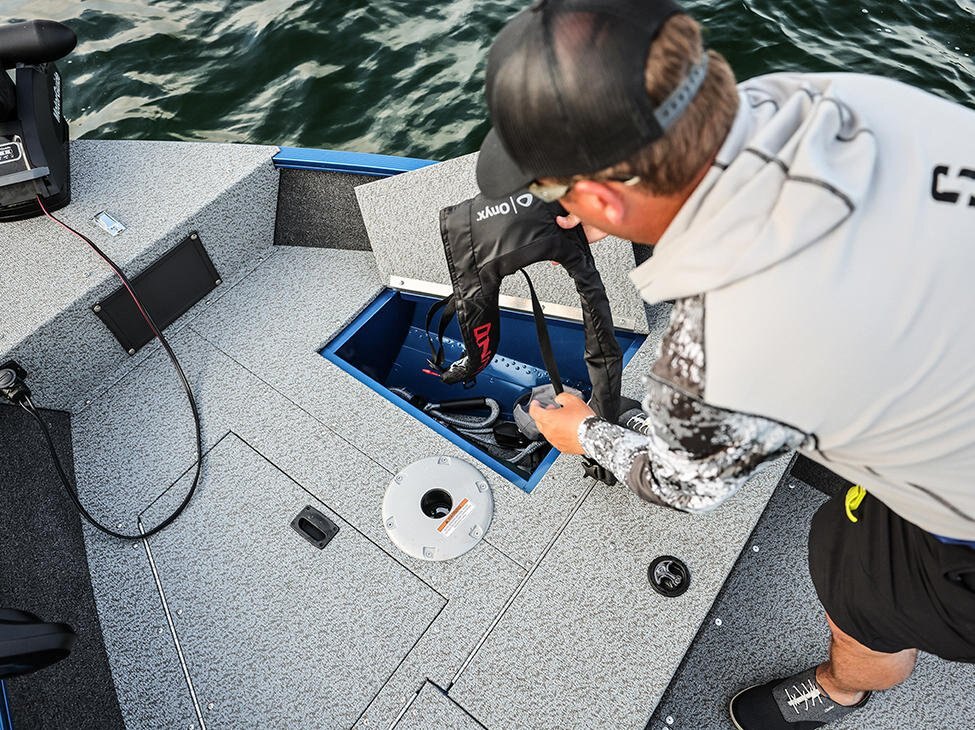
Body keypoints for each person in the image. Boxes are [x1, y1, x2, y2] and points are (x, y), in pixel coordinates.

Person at [474, 0, 975, 728]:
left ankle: (845, 686)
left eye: (552, 189)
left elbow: (682, 484)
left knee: (852, 575)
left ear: (603, 197)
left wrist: (581, 433)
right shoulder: (839, 98)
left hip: (960, 527)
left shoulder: (715, 357)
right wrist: (625, 209)